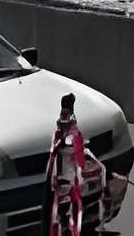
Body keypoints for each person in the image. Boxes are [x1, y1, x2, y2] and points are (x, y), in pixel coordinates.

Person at [48, 94, 94, 236]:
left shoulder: (63, 129)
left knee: (65, 208)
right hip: (66, 176)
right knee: (69, 208)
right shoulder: (68, 130)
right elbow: (77, 154)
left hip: (65, 176)